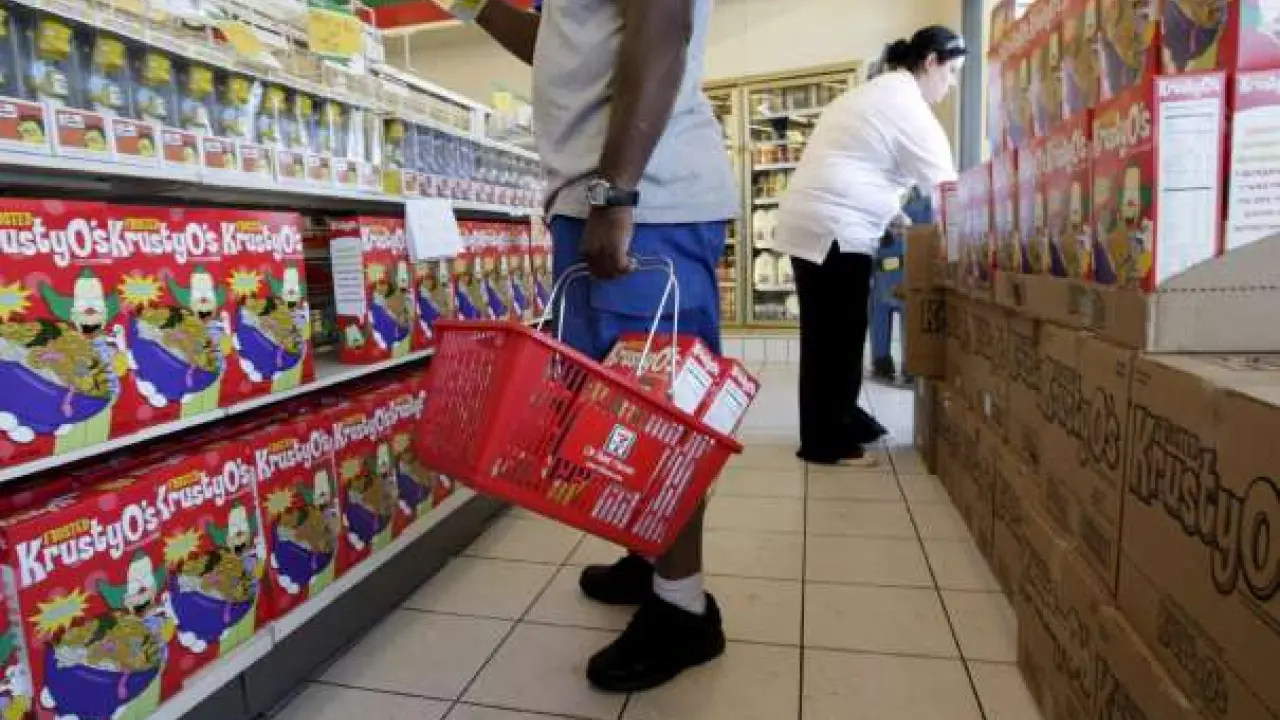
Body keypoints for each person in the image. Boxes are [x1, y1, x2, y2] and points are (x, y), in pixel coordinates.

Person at [435, 0, 739, 693]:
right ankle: (652, 555)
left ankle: (684, 609)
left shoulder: (625, 196)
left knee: (658, 418)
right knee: (612, 410)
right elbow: (562, 43)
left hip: (645, 200)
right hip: (596, 197)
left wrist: (616, 193)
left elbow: (663, 23)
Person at [773, 26, 965, 466]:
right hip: (835, 226)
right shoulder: (907, 106)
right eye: (951, 72)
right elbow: (947, 188)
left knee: (831, 332)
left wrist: (895, 216)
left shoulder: (875, 92)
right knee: (837, 336)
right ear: (930, 62)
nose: (951, 84)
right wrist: (963, 246)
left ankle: (843, 416)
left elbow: (858, 163)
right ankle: (825, 441)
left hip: (814, 221)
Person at [870, 186, 935, 382]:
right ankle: (889, 363)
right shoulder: (921, 200)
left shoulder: (923, 200)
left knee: (899, 314)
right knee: (885, 314)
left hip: (902, 268)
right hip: (891, 266)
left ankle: (901, 364)